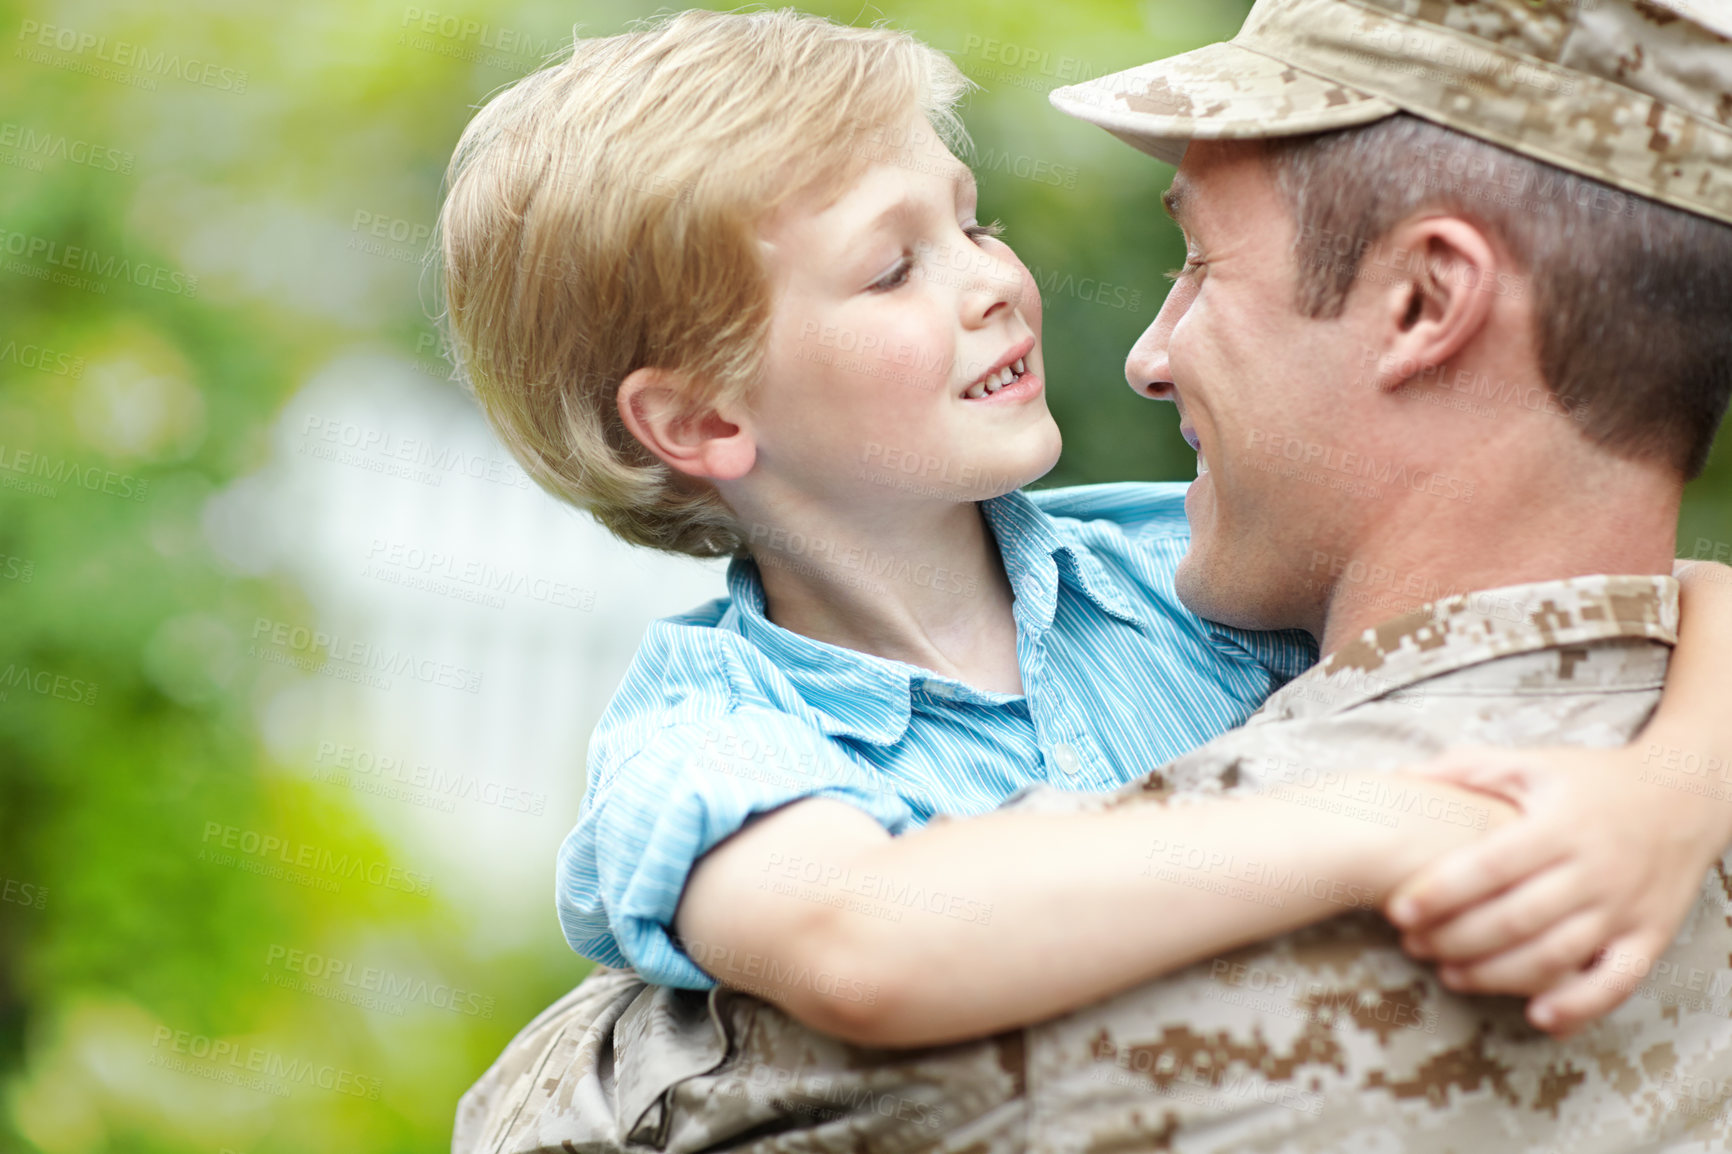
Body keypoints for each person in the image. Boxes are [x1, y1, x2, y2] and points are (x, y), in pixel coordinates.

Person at [442, 3, 1732, 1150]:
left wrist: (1665, 797)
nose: (998, 283)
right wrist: (1388, 825)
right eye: (895, 267)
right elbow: (866, 943)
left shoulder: (1163, 569)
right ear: (703, 422)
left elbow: (1690, 592)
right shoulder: (710, 736)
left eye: (971, 220)